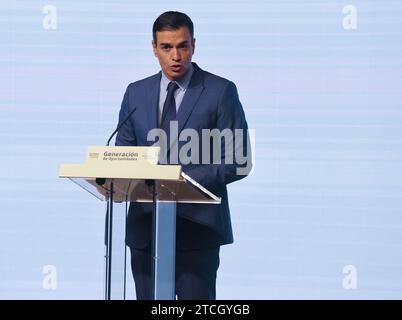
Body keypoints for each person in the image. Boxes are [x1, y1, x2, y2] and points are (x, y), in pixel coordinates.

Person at [115, 11, 251, 300]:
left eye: (183, 46)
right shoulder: (135, 93)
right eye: (166, 47)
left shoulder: (220, 91)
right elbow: (123, 154)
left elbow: (238, 161)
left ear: (193, 45)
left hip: (197, 231)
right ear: (154, 48)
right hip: (145, 231)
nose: (176, 55)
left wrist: (179, 180)